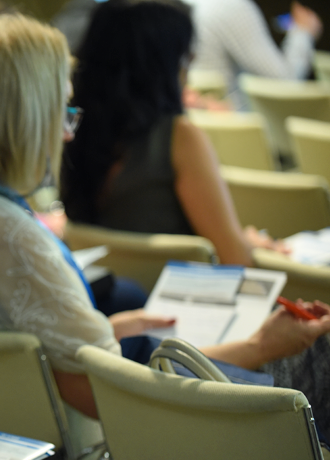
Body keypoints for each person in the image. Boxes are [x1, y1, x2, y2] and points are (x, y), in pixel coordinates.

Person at [0, 7, 330, 460]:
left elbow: (2, 347)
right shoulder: (8, 233)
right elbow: (110, 396)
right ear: (27, 118)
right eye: (64, 112)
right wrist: (259, 347)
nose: (68, 134)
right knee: (309, 361)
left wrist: (105, 332)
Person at [62, 0, 287, 268]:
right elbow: (236, 260)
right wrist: (243, 242)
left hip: (110, 298)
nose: (189, 65)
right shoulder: (179, 138)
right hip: (178, 300)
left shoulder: (74, 131)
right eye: (185, 55)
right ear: (165, 62)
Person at [182, 0, 323, 109]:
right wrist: (303, 33)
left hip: (194, 124)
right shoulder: (231, 7)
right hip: (232, 129)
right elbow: (286, 83)